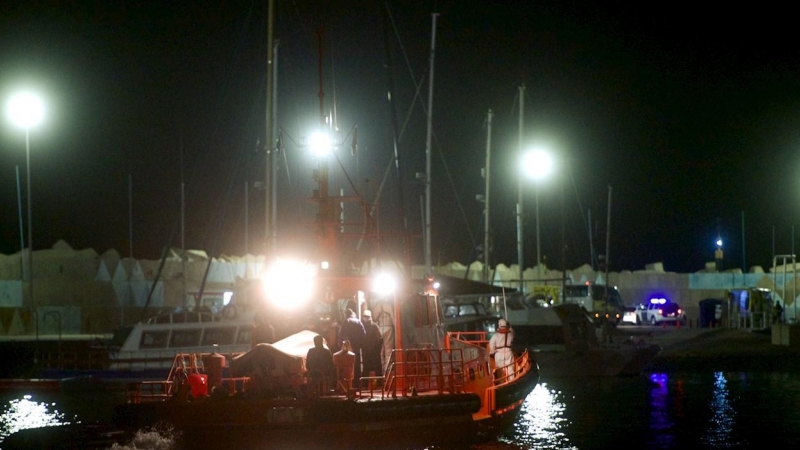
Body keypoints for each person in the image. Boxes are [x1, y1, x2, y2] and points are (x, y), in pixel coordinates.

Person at [338, 308, 366, 381]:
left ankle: (350, 383)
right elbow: (363, 334)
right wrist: (360, 344)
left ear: (346, 314)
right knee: (357, 365)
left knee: (349, 366)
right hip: (357, 347)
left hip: (348, 348)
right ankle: (358, 382)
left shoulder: (345, 322)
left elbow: (341, 335)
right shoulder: (359, 322)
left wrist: (340, 345)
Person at [361, 310, 383, 382]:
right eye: (365, 317)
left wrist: (376, 350)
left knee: (370, 369)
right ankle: (377, 384)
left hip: (372, 352)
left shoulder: (373, 326)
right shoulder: (372, 326)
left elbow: (379, 340)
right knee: (368, 369)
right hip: (370, 352)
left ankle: (377, 384)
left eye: (367, 317)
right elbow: (380, 339)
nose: (366, 318)